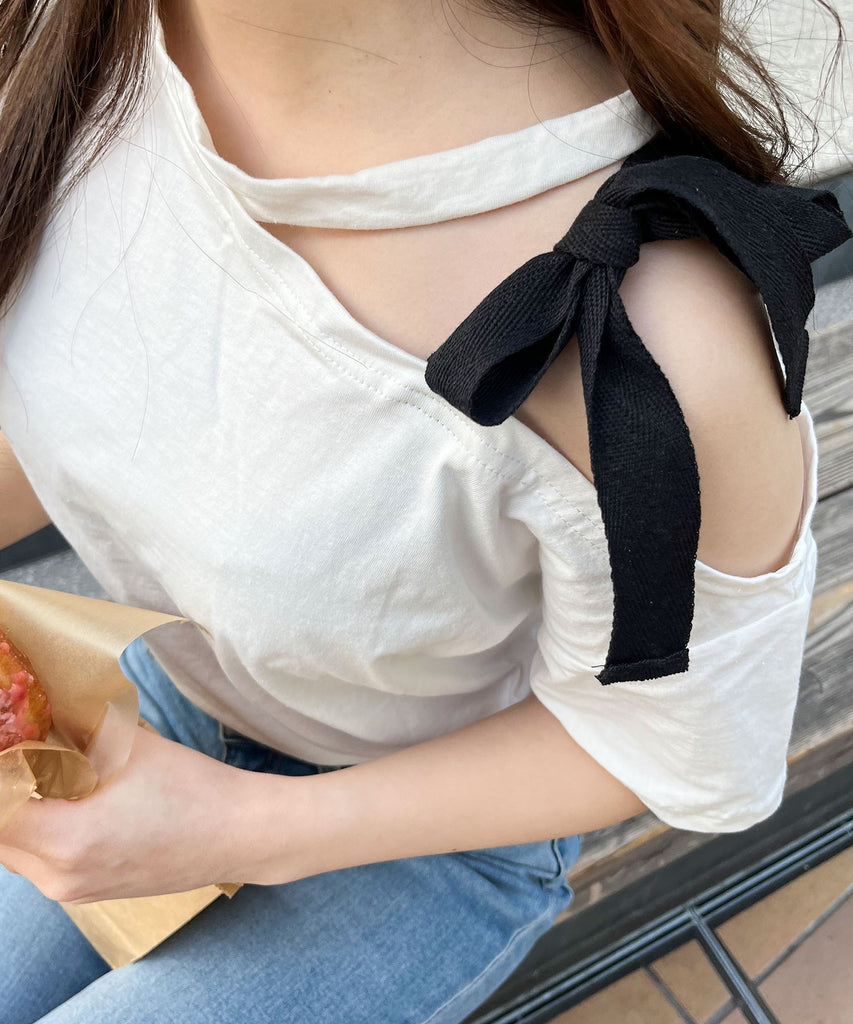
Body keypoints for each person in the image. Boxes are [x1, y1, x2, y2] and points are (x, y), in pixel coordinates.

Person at [0, 1, 848, 1022]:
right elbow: (89, 405)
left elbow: (671, 736)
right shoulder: (81, 47)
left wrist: (241, 827)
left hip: (435, 828)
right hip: (160, 691)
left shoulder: (638, 331)